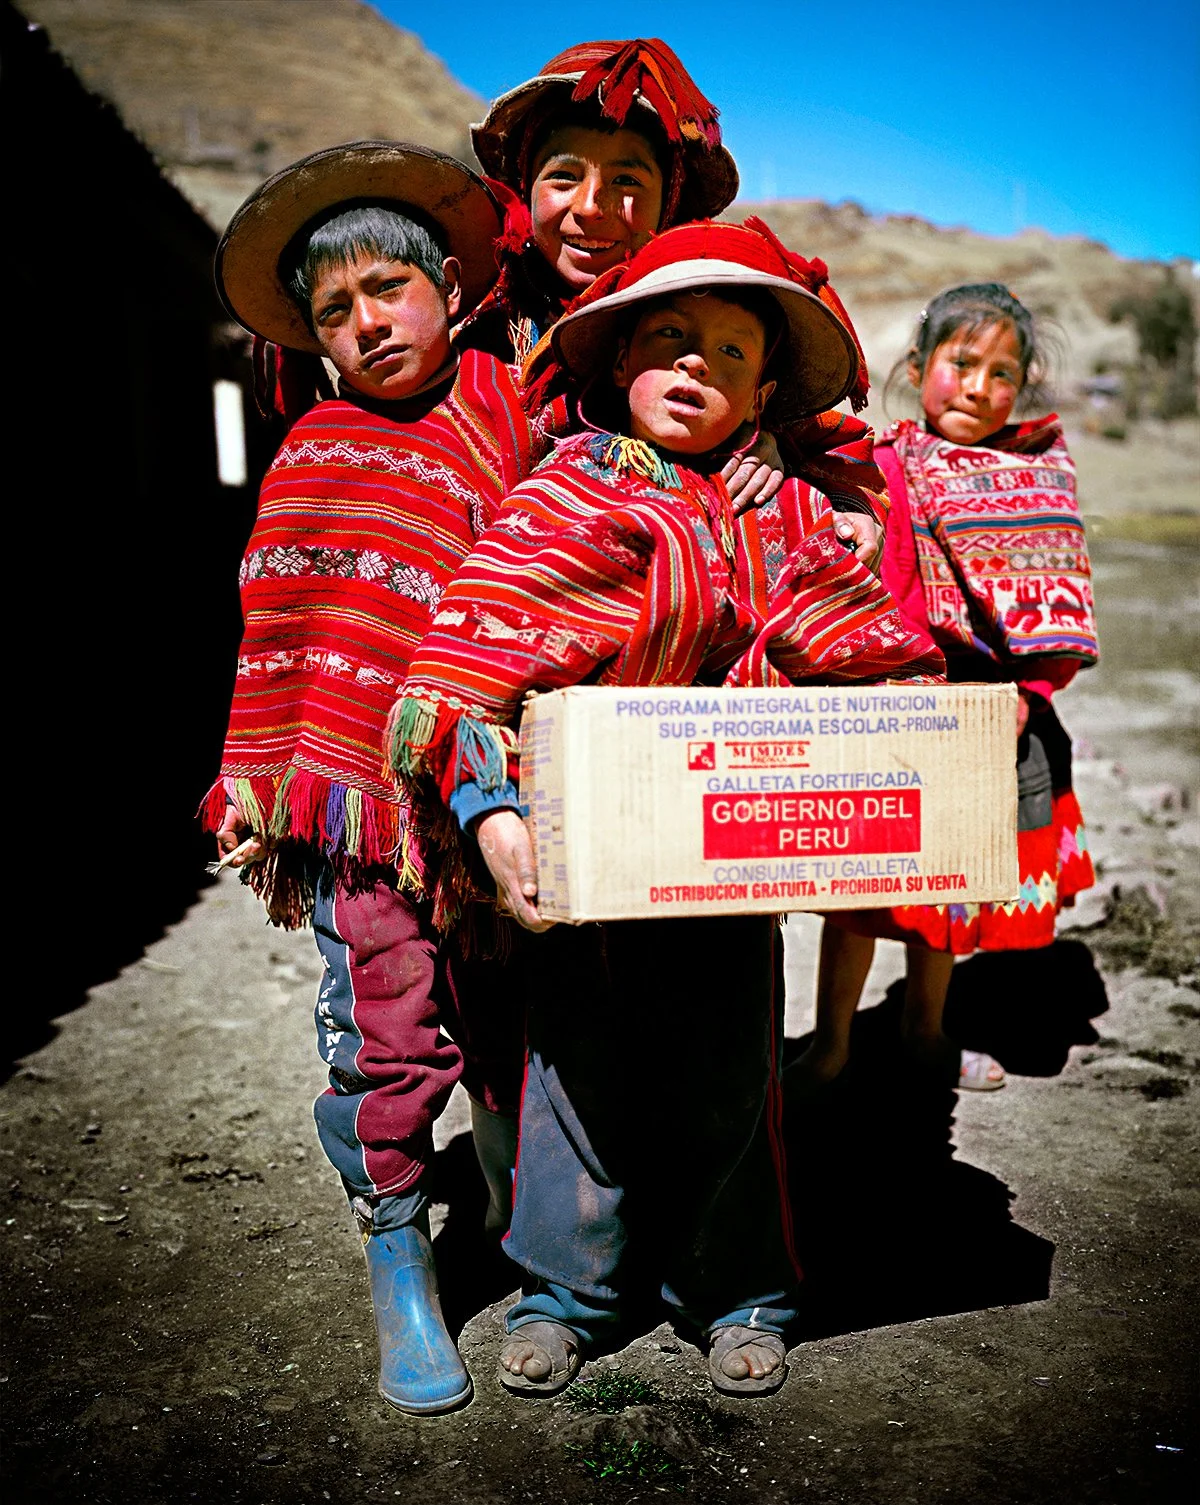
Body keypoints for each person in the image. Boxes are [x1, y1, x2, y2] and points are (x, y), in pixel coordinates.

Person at [389, 220, 942, 1399]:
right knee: (574, 1077)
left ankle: (735, 1286)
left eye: (731, 354)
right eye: (670, 340)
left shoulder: (782, 514)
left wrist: (902, 743)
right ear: (616, 362)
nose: (697, 367)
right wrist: (495, 821)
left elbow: (876, 664)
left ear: (764, 391)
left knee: (732, 1076)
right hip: (581, 867)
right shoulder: (559, 498)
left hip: (732, 870)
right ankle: (568, 1291)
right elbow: (459, 678)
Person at [200, 142, 542, 1415]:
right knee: (390, 1028)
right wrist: (261, 782)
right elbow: (284, 636)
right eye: (336, 312)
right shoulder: (313, 452)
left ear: (450, 287)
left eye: (388, 288)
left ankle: (521, 1211)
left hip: (506, 794)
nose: (368, 322)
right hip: (364, 817)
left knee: (514, 1014)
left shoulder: (518, 413)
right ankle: (399, 1250)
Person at [799, 283, 1098, 1094]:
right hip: (887, 703)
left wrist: (1028, 693)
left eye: (1004, 374)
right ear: (919, 366)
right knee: (858, 892)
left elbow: (1053, 601)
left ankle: (925, 1028)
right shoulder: (882, 466)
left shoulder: (1036, 479)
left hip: (986, 712)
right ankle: (831, 1044)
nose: (979, 386)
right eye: (962, 363)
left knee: (945, 882)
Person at [458, 36, 887, 563]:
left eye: (627, 180)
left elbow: (839, 460)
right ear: (526, 188)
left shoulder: (721, 324)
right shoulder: (467, 331)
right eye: (565, 176)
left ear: (672, 203)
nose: (592, 207)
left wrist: (775, 452)